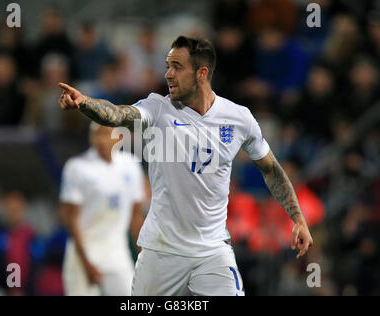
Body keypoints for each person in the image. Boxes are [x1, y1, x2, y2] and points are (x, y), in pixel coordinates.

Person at [58, 35, 313, 296]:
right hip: (162, 250)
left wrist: (298, 218)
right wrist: (85, 103)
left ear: (202, 73)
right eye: (168, 65)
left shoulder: (238, 118)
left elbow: (270, 168)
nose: (168, 74)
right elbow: (119, 114)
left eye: (177, 67)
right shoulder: (157, 108)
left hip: (212, 250)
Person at [60, 122, 145, 296]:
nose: (101, 140)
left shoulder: (131, 166)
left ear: (119, 137)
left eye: (106, 134)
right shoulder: (77, 167)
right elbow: (71, 218)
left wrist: (145, 257)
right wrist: (86, 263)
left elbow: (136, 217)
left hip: (116, 253)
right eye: (96, 134)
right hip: (83, 254)